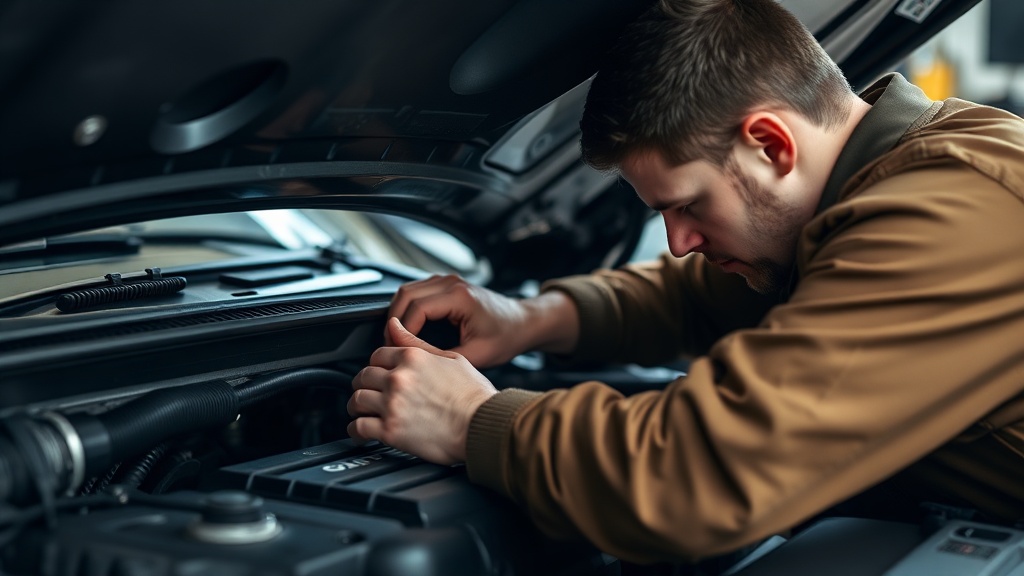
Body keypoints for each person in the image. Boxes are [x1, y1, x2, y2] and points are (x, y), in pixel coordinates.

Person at [346, 0, 1024, 564]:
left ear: (771, 145)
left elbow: (699, 476)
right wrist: (528, 318)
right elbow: (696, 297)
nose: (679, 244)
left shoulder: (950, 213)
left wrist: (471, 421)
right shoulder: (866, 191)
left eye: (689, 205)